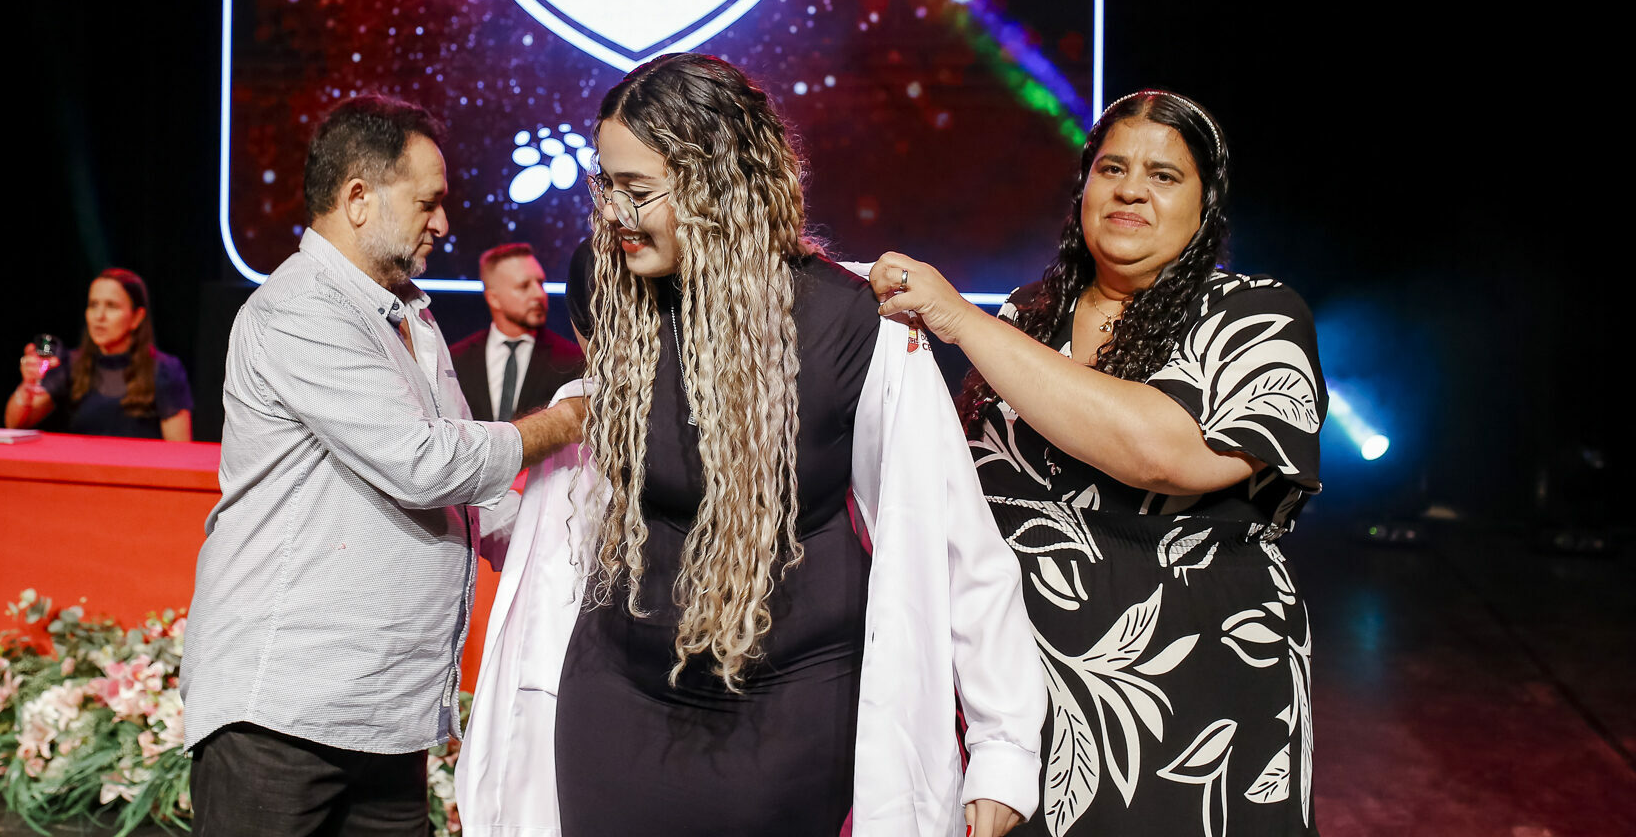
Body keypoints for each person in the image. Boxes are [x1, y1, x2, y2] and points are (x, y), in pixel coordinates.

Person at [459, 54, 1046, 837]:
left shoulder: (846, 325)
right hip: (617, 686)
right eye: (606, 185)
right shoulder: (608, 290)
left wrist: (1004, 745)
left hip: (790, 700)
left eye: (638, 190)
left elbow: (951, 538)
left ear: (718, 183)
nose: (615, 214)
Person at [870, 90, 1326, 837]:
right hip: (1020, 700)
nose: (1130, 190)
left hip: (1200, 694)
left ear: (1206, 204)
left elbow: (1163, 455)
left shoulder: (1257, 317)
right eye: (1112, 169)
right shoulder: (1026, 317)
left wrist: (959, 318)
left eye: (1163, 175)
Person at [178, 95, 584, 837]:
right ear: (358, 198)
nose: (444, 223)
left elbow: (471, 497)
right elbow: (425, 465)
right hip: (284, 716)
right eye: (428, 202)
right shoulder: (300, 309)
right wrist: (568, 421)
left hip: (384, 718)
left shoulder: (410, 315)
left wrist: (570, 543)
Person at [5, 269, 194, 441]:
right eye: (93, 305)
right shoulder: (71, 364)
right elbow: (15, 424)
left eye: (112, 306)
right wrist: (27, 386)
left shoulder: (164, 370)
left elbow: (179, 449)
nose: (99, 316)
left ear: (136, 317)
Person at [451, 242, 585, 423]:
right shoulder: (456, 360)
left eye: (540, 283)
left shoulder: (573, 360)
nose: (539, 294)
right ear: (494, 298)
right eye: (524, 286)